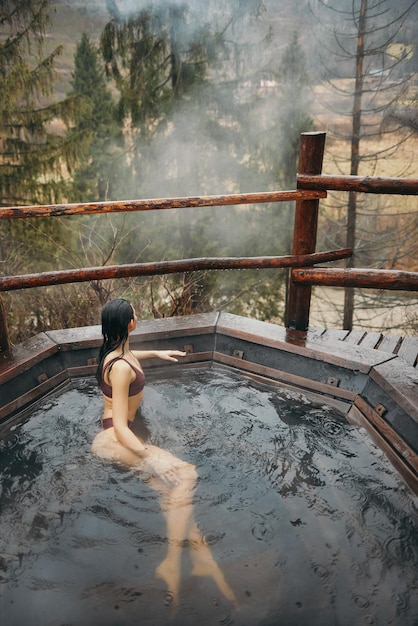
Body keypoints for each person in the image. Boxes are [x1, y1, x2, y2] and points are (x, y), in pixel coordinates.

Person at [91, 298, 237, 614]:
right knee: (186, 473)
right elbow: (118, 426)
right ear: (129, 322)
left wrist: (155, 353)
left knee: (171, 491)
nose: (138, 316)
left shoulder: (116, 352)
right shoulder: (118, 368)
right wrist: (150, 457)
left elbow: (128, 357)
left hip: (118, 433)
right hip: (112, 439)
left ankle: (202, 556)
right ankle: (171, 562)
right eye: (135, 313)